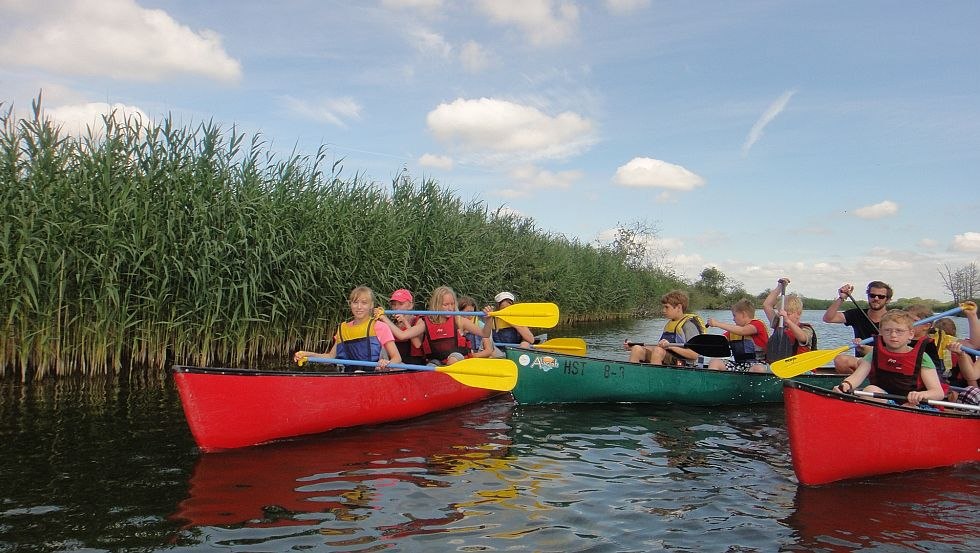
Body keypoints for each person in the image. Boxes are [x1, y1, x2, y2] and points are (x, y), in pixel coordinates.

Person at [832, 310, 944, 407]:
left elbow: (938, 393)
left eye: (899, 331)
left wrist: (921, 395)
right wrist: (845, 385)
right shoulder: (875, 354)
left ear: (910, 334)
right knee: (870, 390)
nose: (893, 335)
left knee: (909, 405)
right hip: (885, 401)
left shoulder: (922, 358)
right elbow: (856, 378)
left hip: (914, 405)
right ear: (880, 333)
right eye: (887, 330)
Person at [293, 286, 401, 372]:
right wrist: (308, 354)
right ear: (350, 304)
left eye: (364, 303)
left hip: (372, 375)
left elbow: (397, 358)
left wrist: (386, 363)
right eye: (355, 302)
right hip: (349, 376)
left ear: (371, 305)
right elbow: (330, 357)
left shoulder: (380, 327)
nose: (359, 307)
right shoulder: (342, 329)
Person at [389, 286, 492, 365]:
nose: (450, 308)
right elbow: (402, 335)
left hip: (458, 360)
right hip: (437, 361)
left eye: (452, 304)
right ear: (436, 305)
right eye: (445, 305)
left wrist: (488, 320)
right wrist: (384, 318)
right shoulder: (426, 323)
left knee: (452, 360)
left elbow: (485, 333)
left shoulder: (459, 320)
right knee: (430, 367)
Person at [822, 281, 892, 374]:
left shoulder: (894, 318)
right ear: (868, 296)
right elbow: (828, 318)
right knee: (840, 360)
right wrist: (841, 298)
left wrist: (866, 349)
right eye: (872, 295)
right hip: (862, 363)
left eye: (881, 296)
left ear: (888, 300)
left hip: (888, 362)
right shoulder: (857, 314)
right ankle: (852, 385)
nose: (876, 298)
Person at [627, 289, 706, 365]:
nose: (663, 310)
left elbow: (694, 355)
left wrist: (670, 346)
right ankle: (631, 376)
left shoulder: (689, 326)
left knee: (658, 351)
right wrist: (633, 345)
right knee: (636, 349)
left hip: (683, 363)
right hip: (667, 356)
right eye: (663, 307)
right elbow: (659, 346)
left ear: (679, 307)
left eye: (667, 307)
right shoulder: (669, 324)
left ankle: (654, 378)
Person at [706, 298, 769, 370]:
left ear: (743, 314)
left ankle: (752, 381)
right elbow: (719, 341)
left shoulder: (758, 324)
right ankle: (712, 380)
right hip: (739, 365)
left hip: (759, 364)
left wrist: (717, 324)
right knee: (714, 362)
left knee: (758, 368)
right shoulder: (733, 332)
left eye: (734, 315)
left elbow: (743, 331)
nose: (733, 319)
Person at [761, 278, 816, 356]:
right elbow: (767, 305)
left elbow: (803, 338)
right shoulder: (778, 323)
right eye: (782, 314)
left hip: (798, 365)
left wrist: (788, 321)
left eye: (788, 314)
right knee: (758, 368)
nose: (783, 317)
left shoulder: (806, 329)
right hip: (778, 363)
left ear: (798, 313)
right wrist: (780, 287)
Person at [376, 288, 427, 365]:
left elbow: (417, 345)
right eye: (394, 304)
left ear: (410, 305)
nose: (396, 307)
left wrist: (405, 321)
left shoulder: (420, 321)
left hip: (413, 365)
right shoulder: (392, 323)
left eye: (400, 304)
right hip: (394, 364)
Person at [486, 291, 536, 357]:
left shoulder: (518, 319)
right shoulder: (493, 319)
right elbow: (486, 337)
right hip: (498, 351)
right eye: (504, 308)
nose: (506, 311)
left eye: (509, 308)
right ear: (498, 308)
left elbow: (531, 340)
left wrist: (514, 324)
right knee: (489, 348)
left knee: (525, 344)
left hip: (516, 352)